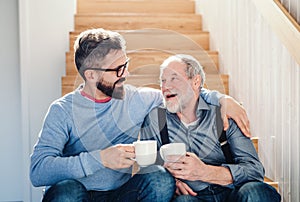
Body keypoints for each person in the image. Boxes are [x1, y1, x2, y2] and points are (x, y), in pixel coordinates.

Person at [30, 28, 250, 201]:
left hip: (121, 195)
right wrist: (100, 159)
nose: (126, 73)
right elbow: (38, 171)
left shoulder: (138, 99)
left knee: (160, 179)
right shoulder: (62, 110)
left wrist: (222, 99)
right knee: (67, 191)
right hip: (77, 194)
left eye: (125, 65)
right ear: (91, 75)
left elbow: (183, 91)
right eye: (118, 70)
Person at [141, 54, 281, 202]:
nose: (165, 87)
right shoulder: (155, 119)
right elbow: (150, 172)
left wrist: (204, 172)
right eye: (163, 81)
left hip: (232, 192)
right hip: (192, 197)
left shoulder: (224, 114)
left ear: (195, 82)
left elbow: (254, 171)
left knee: (256, 192)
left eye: (174, 78)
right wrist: (172, 183)